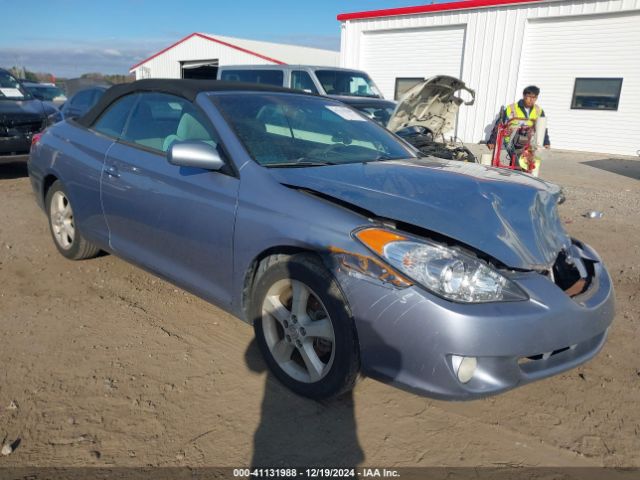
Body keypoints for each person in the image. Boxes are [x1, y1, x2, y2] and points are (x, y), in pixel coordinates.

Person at [487, 85, 550, 156]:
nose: (531, 100)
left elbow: (542, 128)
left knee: (530, 162)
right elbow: (499, 124)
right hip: (511, 140)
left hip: (530, 141)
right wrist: (492, 141)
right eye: (529, 97)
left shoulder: (539, 111)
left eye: (534, 97)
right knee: (517, 160)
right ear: (524, 96)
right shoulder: (511, 108)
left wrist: (546, 142)